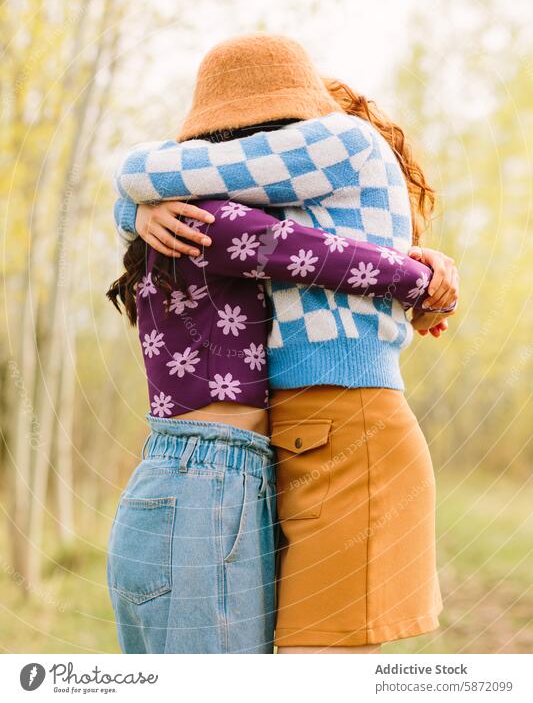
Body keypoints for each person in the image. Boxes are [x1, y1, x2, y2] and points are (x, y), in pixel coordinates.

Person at [113, 33, 458, 653]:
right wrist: (422, 278)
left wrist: (421, 276)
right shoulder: (221, 211)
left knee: (309, 668)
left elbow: (287, 244)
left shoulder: (324, 153)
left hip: (310, 446)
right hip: (246, 459)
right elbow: (280, 245)